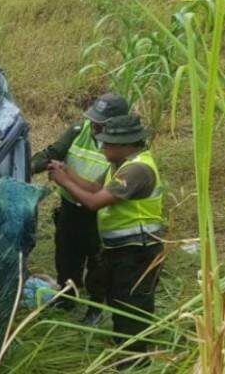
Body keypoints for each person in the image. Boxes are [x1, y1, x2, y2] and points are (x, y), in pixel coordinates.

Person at [48, 114, 165, 358]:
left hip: (139, 249)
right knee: (118, 299)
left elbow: (93, 202)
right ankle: (124, 347)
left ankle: (134, 358)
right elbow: (93, 187)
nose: (102, 147)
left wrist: (62, 181)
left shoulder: (136, 170)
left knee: (132, 304)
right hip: (122, 248)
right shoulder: (119, 165)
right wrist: (67, 172)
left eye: (108, 143)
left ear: (126, 144)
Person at [31, 93, 130, 323]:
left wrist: (65, 179)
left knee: (98, 259)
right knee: (66, 254)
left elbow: (99, 190)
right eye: (94, 120)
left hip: (99, 212)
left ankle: (96, 305)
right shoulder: (79, 131)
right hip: (70, 207)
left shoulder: (121, 146)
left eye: (101, 123)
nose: (94, 126)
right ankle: (68, 296)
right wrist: (29, 167)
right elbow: (52, 153)